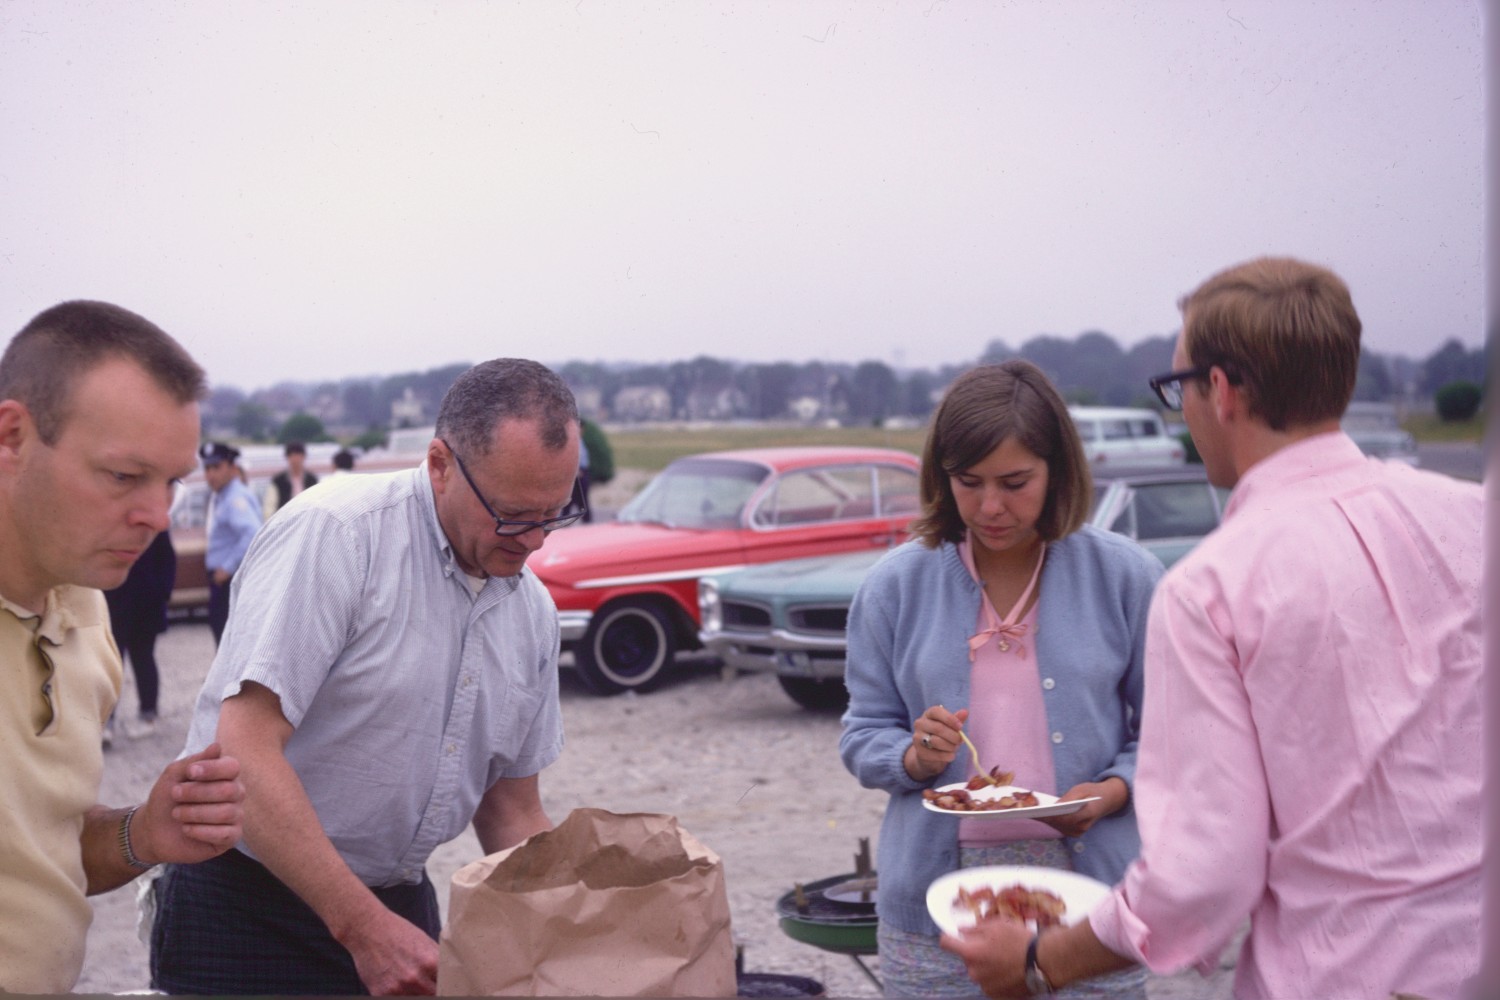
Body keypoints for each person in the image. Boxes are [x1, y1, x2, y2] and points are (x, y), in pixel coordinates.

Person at [942, 257, 1484, 999]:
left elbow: (1205, 873)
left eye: (1178, 388)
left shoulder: (1212, 589)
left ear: (1220, 391)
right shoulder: (1472, 516)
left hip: (1343, 974)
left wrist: (1040, 960)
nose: (1185, 410)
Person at [150, 358, 585, 995]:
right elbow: (241, 752)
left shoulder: (533, 612)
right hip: (242, 907)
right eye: (515, 515)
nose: (537, 541)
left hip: (396, 905)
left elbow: (511, 809)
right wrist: (362, 929)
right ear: (440, 466)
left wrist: (584, 928)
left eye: (555, 513)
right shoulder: (336, 535)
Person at [840, 359, 1164, 998]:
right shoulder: (893, 587)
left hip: (1091, 896)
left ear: (1059, 473)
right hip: (935, 904)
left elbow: (1171, 738)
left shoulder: (1128, 579)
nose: (990, 507)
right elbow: (861, 733)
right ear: (941, 477)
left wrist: (1110, 793)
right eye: (969, 482)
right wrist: (912, 756)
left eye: (1016, 482)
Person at [0, 300, 244, 995]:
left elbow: (42, 853)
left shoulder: (84, 613)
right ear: (12, 435)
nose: (157, 517)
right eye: (122, 476)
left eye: (171, 481)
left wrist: (144, 833)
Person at [103, 529, 176, 743]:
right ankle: (107, 722)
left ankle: (148, 716)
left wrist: (162, 593)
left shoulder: (155, 526)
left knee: (143, 659)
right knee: (111, 662)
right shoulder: (112, 520)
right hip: (116, 604)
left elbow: (168, 559)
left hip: (146, 606)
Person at [200, 440, 261, 646]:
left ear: (232, 468)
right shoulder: (223, 496)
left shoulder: (234, 497)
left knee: (230, 645)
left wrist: (227, 568)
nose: (210, 475)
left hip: (229, 582)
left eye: (216, 467)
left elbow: (252, 533)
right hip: (224, 581)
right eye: (207, 468)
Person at [263, 440, 318, 518]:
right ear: (287, 458)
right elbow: (269, 507)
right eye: (292, 456)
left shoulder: (312, 480)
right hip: (284, 522)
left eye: (298, 455)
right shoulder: (278, 481)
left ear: (303, 457)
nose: (295, 459)